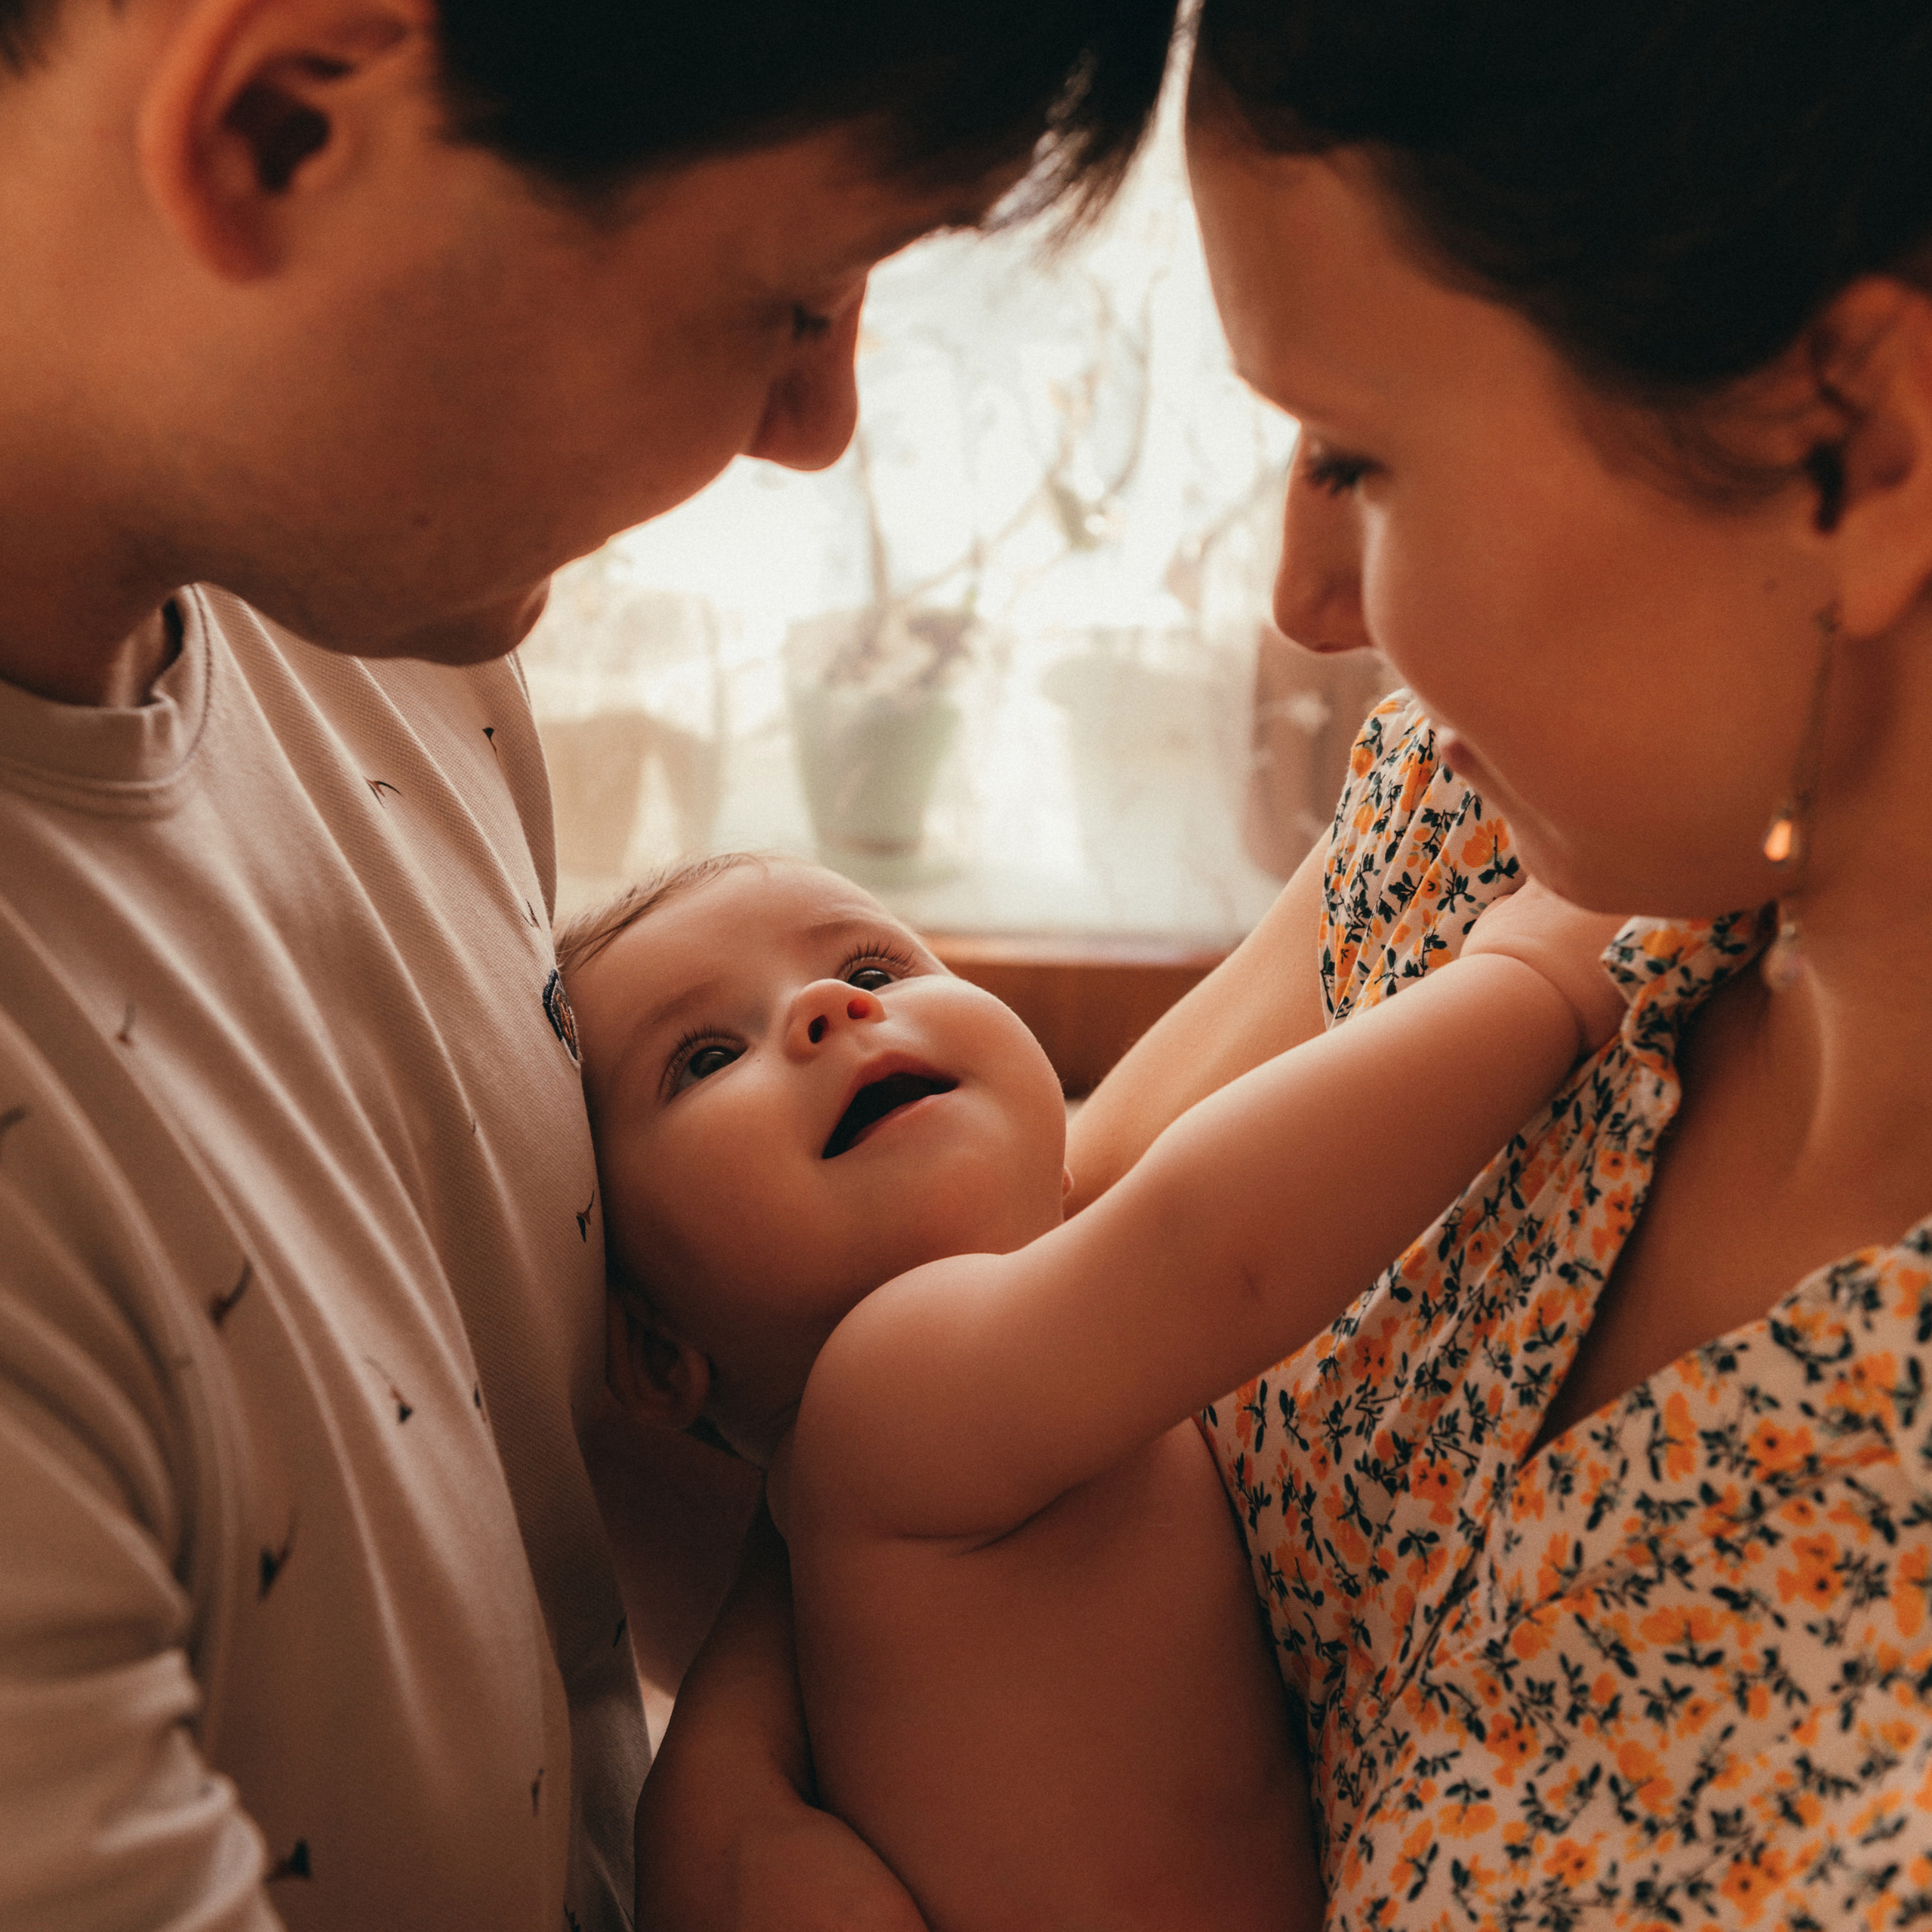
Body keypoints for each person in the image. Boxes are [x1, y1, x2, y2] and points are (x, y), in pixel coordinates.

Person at [640, 5, 1932, 1927]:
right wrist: (737, 1750)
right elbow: (1042, 1231)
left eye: (1356, 455)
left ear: (1855, 446)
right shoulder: (1502, 819)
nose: (1304, 611)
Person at [0, 2, 1181, 1927]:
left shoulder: (370, 611)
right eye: (791, 295)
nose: (818, 428)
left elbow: (496, 1436)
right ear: (287, 126)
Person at [561, 851, 1623, 1931]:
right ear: (657, 1355)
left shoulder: (852, 1512)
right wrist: (1533, 979)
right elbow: (1218, 1255)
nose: (827, 1012)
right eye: (703, 1057)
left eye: (875, 971)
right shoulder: (887, 1387)